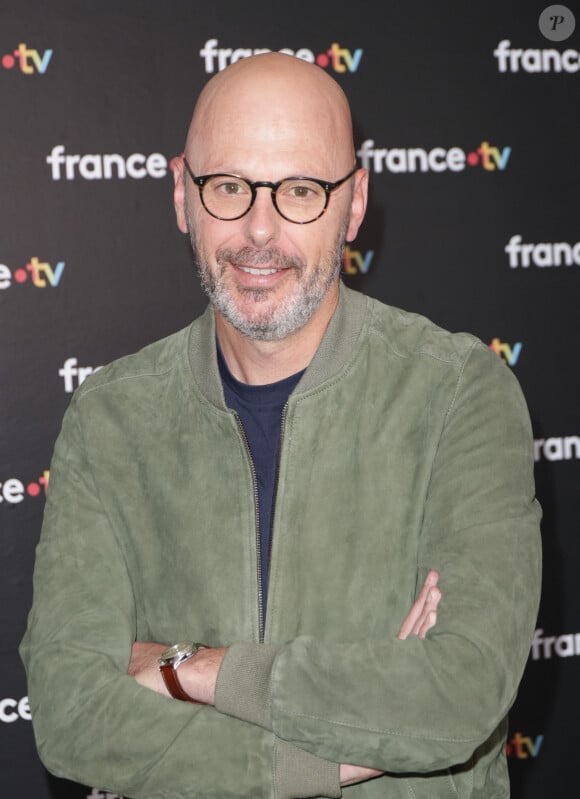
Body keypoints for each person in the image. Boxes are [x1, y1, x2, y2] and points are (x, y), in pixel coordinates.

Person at [20, 53, 541, 799]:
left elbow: (457, 696)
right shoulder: (110, 417)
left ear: (354, 202)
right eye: (228, 187)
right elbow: (72, 715)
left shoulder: (460, 394)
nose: (259, 230)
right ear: (182, 196)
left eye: (301, 190)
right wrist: (328, 758)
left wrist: (192, 667)